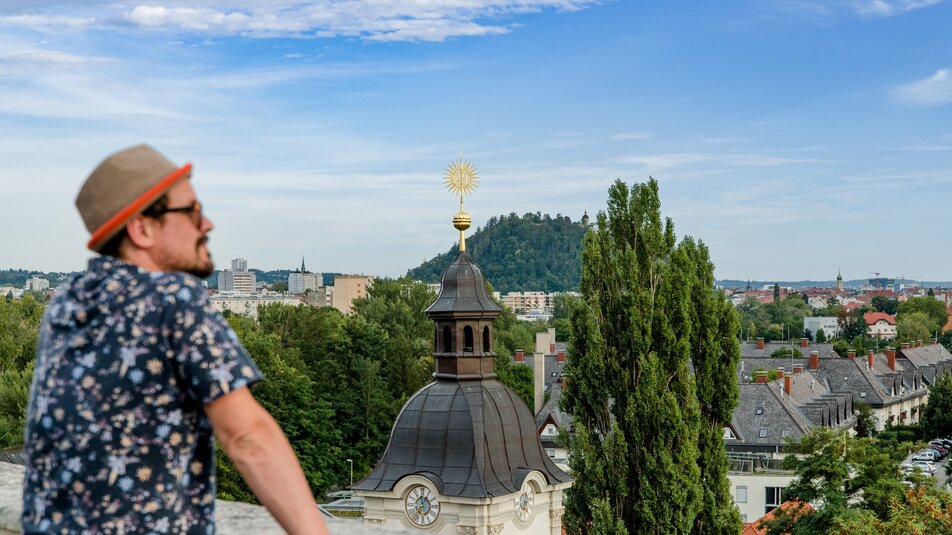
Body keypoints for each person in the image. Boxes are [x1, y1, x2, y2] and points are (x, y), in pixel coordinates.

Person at [22, 144, 329, 534]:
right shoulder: (172, 297)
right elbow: (247, 435)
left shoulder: (65, 303)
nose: (208, 224)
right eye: (193, 211)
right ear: (142, 228)